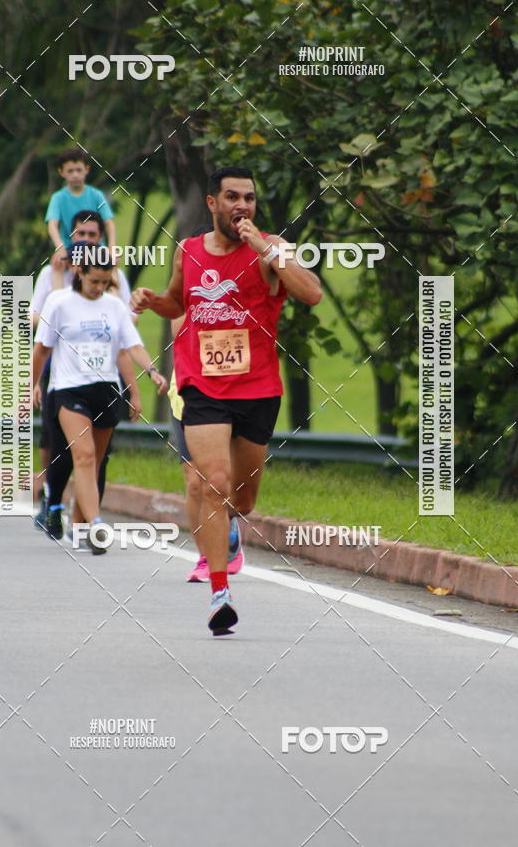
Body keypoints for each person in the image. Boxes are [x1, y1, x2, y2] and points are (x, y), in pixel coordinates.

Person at [131, 166, 322, 634]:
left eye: (250, 198)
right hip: (203, 385)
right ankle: (220, 593)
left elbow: (312, 293)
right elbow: (180, 303)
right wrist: (154, 302)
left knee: (243, 499)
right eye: (232, 197)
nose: (242, 206)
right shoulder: (189, 251)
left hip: (257, 389)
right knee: (212, 482)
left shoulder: (271, 246)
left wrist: (267, 251)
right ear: (212, 203)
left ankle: (230, 531)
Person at [33, 251, 167, 554]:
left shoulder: (113, 306)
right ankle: (95, 524)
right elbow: (41, 350)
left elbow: (131, 346)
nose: (99, 287)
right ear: (79, 271)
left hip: (106, 388)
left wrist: (153, 373)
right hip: (68, 389)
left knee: (94, 465)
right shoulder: (59, 302)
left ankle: (78, 527)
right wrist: (31, 387)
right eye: (94, 280)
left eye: (106, 282)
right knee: (84, 455)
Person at [31, 210, 138, 533]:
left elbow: (127, 327)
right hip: (60, 375)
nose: (87, 240)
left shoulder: (111, 277)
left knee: (95, 456)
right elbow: (35, 323)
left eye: (93, 235)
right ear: (70, 237)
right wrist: (32, 383)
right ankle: (53, 501)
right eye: (81, 235)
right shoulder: (53, 275)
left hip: (104, 374)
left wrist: (106, 298)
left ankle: (86, 521)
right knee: (63, 448)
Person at [168, 313, 243, 582]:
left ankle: (228, 522)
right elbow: (178, 329)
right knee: (195, 483)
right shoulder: (189, 284)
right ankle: (204, 557)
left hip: (233, 392)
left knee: (223, 482)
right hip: (188, 393)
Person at [45, 148, 116, 270]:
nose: (75, 175)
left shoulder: (96, 195)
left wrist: (111, 249)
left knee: (113, 270)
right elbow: (52, 225)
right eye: (70, 171)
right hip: (70, 253)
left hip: (96, 252)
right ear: (62, 172)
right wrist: (60, 248)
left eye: (79, 170)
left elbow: (109, 224)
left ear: (86, 170)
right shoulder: (58, 198)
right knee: (53, 270)